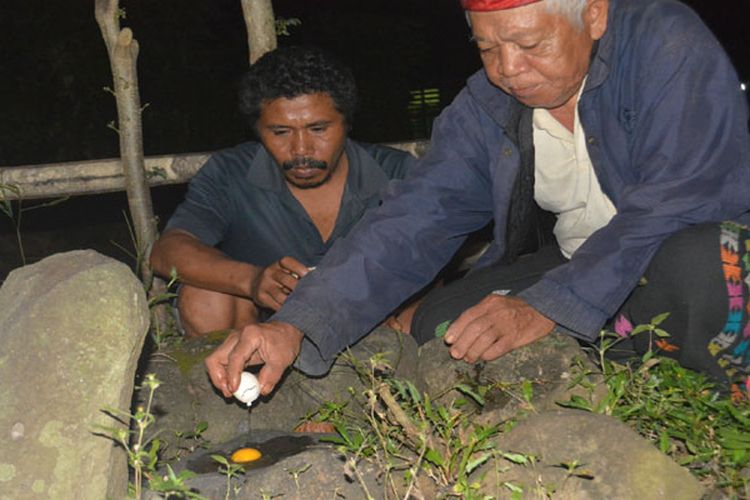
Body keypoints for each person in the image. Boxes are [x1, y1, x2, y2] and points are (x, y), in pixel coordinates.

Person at [205, 0, 750, 401]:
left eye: (531, 45)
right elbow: (413, 220)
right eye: (488, 48)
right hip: (577, 260)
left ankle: (705, 390)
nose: (507, 69)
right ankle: (617, 344)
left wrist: (547, 305)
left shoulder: (665, 41)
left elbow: (680, 199)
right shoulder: (488, 103)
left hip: (682, 238)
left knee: (702, 264)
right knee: (444, 323)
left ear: (595, 14)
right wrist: (294, 324)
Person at [150, 46, 417, 337]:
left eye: (318, 129)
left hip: (373, 324)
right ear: (258, 130)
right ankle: (241, 379)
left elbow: (440, 245)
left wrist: (410, 301)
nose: (301, 149)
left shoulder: (397, 173)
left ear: (347, 123)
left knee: (420, 302)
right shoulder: (232, 173)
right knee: (204, 298)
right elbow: (168, 250)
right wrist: (252, 280)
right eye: (280, 132)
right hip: (261, 329)